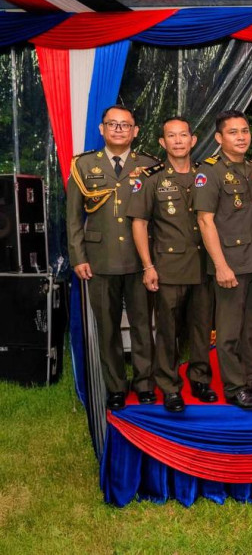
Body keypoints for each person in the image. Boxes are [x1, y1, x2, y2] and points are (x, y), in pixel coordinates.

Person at [67, 105, 158, 411]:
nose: (119, 130)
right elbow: (73, 217)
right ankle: (116, 386)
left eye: (125, 125)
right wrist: (78, 256)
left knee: (143, 326)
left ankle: (144, 384)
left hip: (139, 259)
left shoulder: (149, 165)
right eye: (112, 124)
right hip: (99, 259)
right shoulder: (83, 165)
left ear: (135, 131)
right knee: (107, 328)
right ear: (102, 129)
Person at [129, 116, 216, 413]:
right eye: (171, 136)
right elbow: (139, 224)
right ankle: (169, 386)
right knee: (168, 331)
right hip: (169, 267)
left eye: (183, 135)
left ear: (193, 140)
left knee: (202, 328)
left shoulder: (206, 174)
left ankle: (200, 379)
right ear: (162, 142)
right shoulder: (150, 178)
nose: (178, 141)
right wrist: (147, 266)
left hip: (204, 265)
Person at [195, 111, 252, 411]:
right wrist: (220, 265)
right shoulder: (210, 172)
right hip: (231, 264)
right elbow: (205, 221)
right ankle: (234, 387)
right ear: (219, 138)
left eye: (245, 131)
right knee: (228, 332)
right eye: (233, 132)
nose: (241, 137)